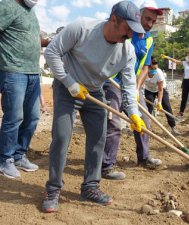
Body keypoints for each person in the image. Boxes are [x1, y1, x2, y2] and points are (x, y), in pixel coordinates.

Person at [42, 1, 146, 212]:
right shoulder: (82, 28)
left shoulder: (127, 52)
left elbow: (128, 86)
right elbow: (52, 52)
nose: (130, 36)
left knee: (99, 137)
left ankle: (90, 187)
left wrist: (134, 114)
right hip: (66, 87)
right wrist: (69, 82)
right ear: (114, 19)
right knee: (61, 137)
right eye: (128, 29)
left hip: (94, 92)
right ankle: (53, 189)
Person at [101, 0, 163, 181]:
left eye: (153, 21)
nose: (149, 24)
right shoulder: (125, 31)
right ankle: (106, 166)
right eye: (147, 19)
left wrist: (136, 88)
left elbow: (145, 67)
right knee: (113, 124)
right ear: (138, 15)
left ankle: (144, 158)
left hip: (131, 85)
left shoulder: (149, 39)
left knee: (144, 121)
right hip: (112, 81)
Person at [0, 0, 41, 179]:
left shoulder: (30, 11)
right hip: (13, 71)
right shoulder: (6, 5)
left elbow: (27, 37)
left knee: (32, 117)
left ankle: (18, 155)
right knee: (14, 117)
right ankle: (5, 159)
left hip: (33, 72)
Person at [162, 51, 189, 118]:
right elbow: (175, 61)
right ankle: (181, 112)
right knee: (184, 97)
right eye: (187, 55)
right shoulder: (185, 63)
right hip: (185, 81)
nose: (186, 57)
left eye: (188, 56)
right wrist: (167, 57)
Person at [144, 57, 181, 135]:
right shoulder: (144, 71)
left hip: (160, 89)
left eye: (156, 68)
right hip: (149, 90)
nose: (154, 70)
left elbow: (160, 90)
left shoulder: (159, 73)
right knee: (148, 108)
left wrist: (159, 102)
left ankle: (173, 127)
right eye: (153, 68)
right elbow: (139, 81)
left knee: (167, 106)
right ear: (149, 66)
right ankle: (146, 127)